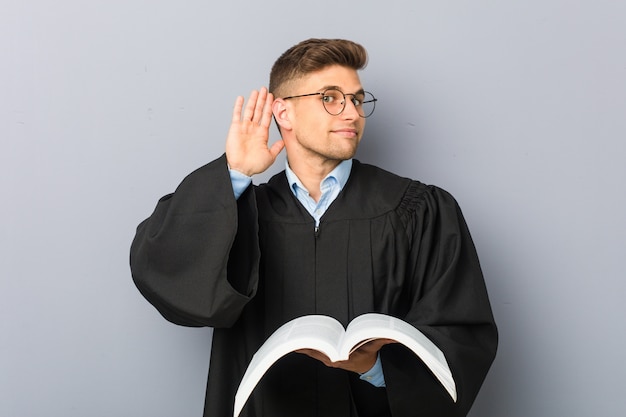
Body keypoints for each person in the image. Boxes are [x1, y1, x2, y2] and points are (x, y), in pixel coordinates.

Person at [130, 38, 497, 417]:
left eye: (356, 99)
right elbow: (164, 268)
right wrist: (234, 175)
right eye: (330, 98)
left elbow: (461, 333)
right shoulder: (239, 211)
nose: (351, 114)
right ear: (283, 113)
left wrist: (374, 369)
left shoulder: (417, 210)